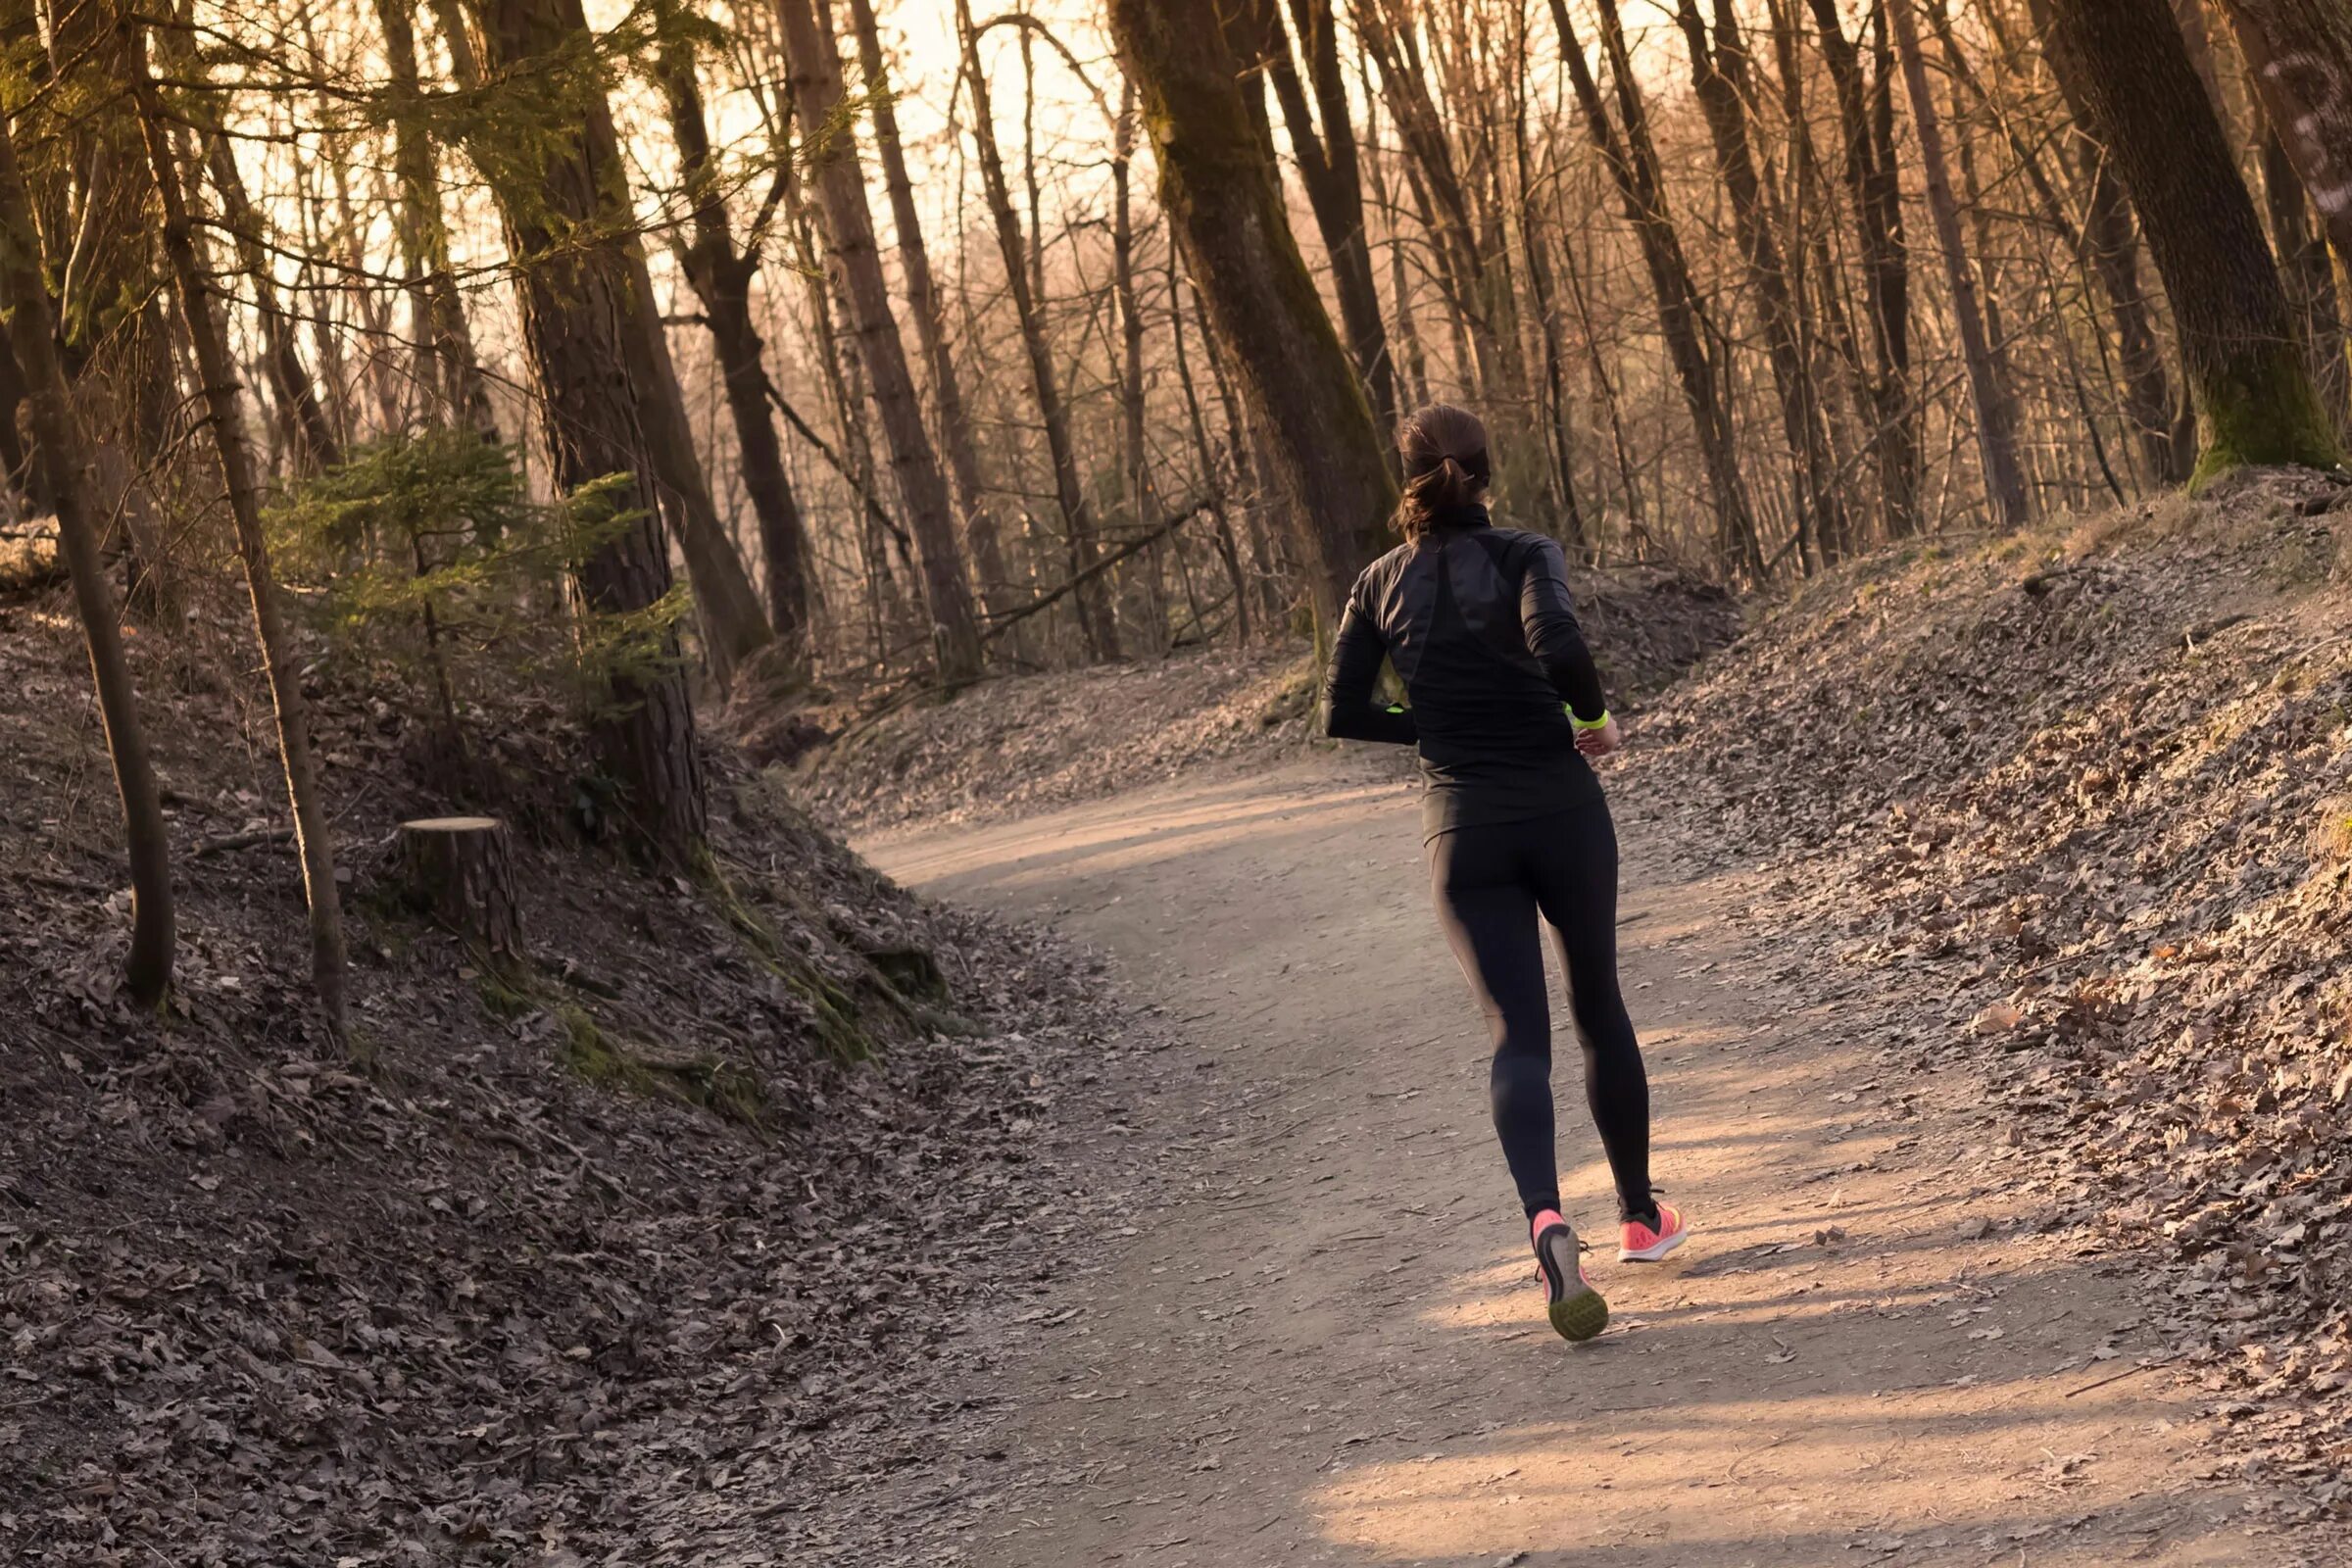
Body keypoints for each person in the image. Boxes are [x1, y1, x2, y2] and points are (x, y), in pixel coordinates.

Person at [1322, 404, 1687, 1343]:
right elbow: (1559, 644)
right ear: (1486, 471)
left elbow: (1343, 712)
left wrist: (1430, 732)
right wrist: (1590, 720)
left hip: (1461, 830)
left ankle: (1545, 1220)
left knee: (1514, 1036)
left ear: (1406, 478)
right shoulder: (1526, 552)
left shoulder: (1376, 582)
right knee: (1597, 1005)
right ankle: (1642, 1219)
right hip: (1561, 810)